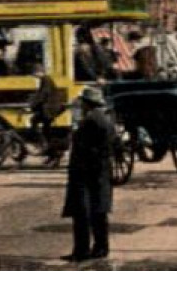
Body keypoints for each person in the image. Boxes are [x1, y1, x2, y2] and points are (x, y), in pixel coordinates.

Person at [63, 86, 115, 263]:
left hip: (85, 171)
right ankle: (101, 247)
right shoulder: (105, 120)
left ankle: (81, 251)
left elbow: (82, 147)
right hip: (100, 171)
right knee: (99, 211)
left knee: (82, 212)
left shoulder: (89, 121)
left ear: (86, 103)